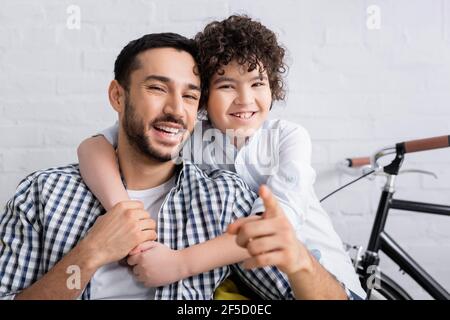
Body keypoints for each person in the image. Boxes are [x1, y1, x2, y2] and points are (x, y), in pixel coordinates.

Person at [77, 16, 366, 299]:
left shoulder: (288, 138)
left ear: (273, 86)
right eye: (227, 86)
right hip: (252, 281)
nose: (245, 99)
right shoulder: (189, 134)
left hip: (321, 279)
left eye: (257, 83)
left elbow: (273, 227)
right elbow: (93, 147)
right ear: (202, 96)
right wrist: (127, 217)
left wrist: (178, 264)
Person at [0, 33, 270, 300]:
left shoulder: (224, 198)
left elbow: (301, 287)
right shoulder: (44, 193)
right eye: (157, 88)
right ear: (117, 96)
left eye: (190, 96)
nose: (176, 110)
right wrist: (91, 253)